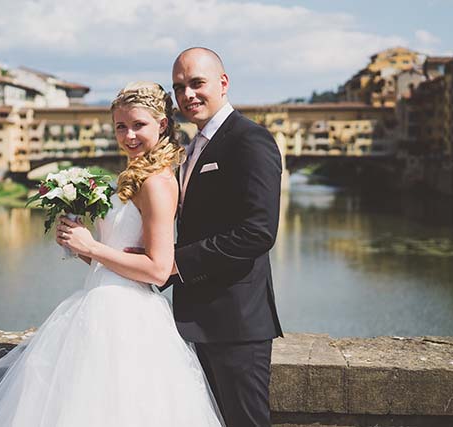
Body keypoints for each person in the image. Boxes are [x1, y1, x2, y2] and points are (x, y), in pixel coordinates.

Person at [0, 82, 224, 427]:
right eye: (120, 126)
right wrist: (77, 244)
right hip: (99, 304)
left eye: (138, 125)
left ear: (161, 124)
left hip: (126, 320)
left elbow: (158, 270)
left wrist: (91, 246)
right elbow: (115, 260)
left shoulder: (157, 182)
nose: (128, 136)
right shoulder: (134, 173)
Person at [168, 47, 283, 427]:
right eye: (179, 87)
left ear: (223, 82)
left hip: (236, 324)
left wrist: (177, 264)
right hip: (195, 321)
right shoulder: (192, 147)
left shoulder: (249, 140)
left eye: (197, 83)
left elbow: (258, 232)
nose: (188, 95)